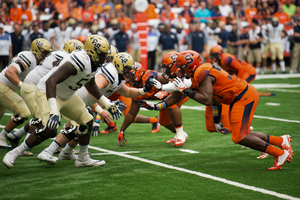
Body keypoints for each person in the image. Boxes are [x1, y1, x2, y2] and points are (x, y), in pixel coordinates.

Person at [142, 50, 293, 170]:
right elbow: (202, 99)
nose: (179, 70)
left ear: (189, 66)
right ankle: (280, 141)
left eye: (181, 67)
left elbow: (206, 99)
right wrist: (154, 106)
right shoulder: (195, 74)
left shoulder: (202, 73)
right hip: (235, 98)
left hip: (243, 96)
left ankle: (279, 153)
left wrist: (186, 91)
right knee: (240, 133)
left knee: (239, 137)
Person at [2, 35, 122, 169]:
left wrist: (108, 104)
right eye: (102, 55)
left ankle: (83, 158)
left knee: (87, 121)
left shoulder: (92, 63)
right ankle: (14, 153)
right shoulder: (81, 60)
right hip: (46, 92)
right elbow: (50, 81)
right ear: (92, 52)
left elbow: (91, 86)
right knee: (50, 130)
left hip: (67, 95)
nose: (104, 58)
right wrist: (54, 111)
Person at [36, 52, 155, 165]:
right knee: (75, 127)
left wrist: (144, 90)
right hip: (75, 99)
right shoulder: (111, 73)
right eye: (128, 69)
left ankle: (66, 153)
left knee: (83, 127)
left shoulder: (117, 76)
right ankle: (48, 151)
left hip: (82, 101)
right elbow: (92, 90)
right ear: (119, 65)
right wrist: (102, 108)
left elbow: (128, 92)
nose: (130, 72)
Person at [5, 39, 83, 151]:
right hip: (33, 88)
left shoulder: (62, 55)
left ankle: (16, 135)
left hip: (41, 89)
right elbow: (60, 71)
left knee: (52, 115)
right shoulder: (62, 56)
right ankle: (23, 148)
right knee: (42, 119)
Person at [120, 55, 189, 148]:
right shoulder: (134, 89)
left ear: (138, 73)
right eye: (126, 75)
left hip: (178, 92)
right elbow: (131, 114)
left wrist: (166, 91)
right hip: (166, 99)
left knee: (170, 103)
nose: (127, 78)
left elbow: (173, 80)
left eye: (129, 75)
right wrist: (122, 130)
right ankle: (180, 134)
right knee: (164, 121)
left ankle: (180, 134)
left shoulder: (150, 76)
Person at [0, 38, 52, 149]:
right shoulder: (28, 57)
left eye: (48, 53)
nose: (46, 56)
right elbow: (9, 73)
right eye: (44, 52)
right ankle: (2, 137)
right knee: (24, 112)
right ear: (37, 51)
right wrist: (22, 86)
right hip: (2, 86)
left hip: (6, 88)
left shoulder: (38, 63)